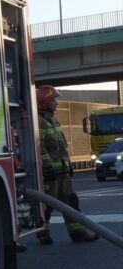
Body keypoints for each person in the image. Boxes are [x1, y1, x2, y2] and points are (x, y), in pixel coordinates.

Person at [35, 85, 99, 244]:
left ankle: (78, 232)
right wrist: (47, 167)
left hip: (63, 174)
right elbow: (40, 147)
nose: (56, 103)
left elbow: (62, 147)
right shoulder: (39, 123)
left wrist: (68, 164)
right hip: (50, 175)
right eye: (53, 100)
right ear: (44, 102)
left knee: (71, 201)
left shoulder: (54, 121)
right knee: (47, 206)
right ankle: (43, 233)